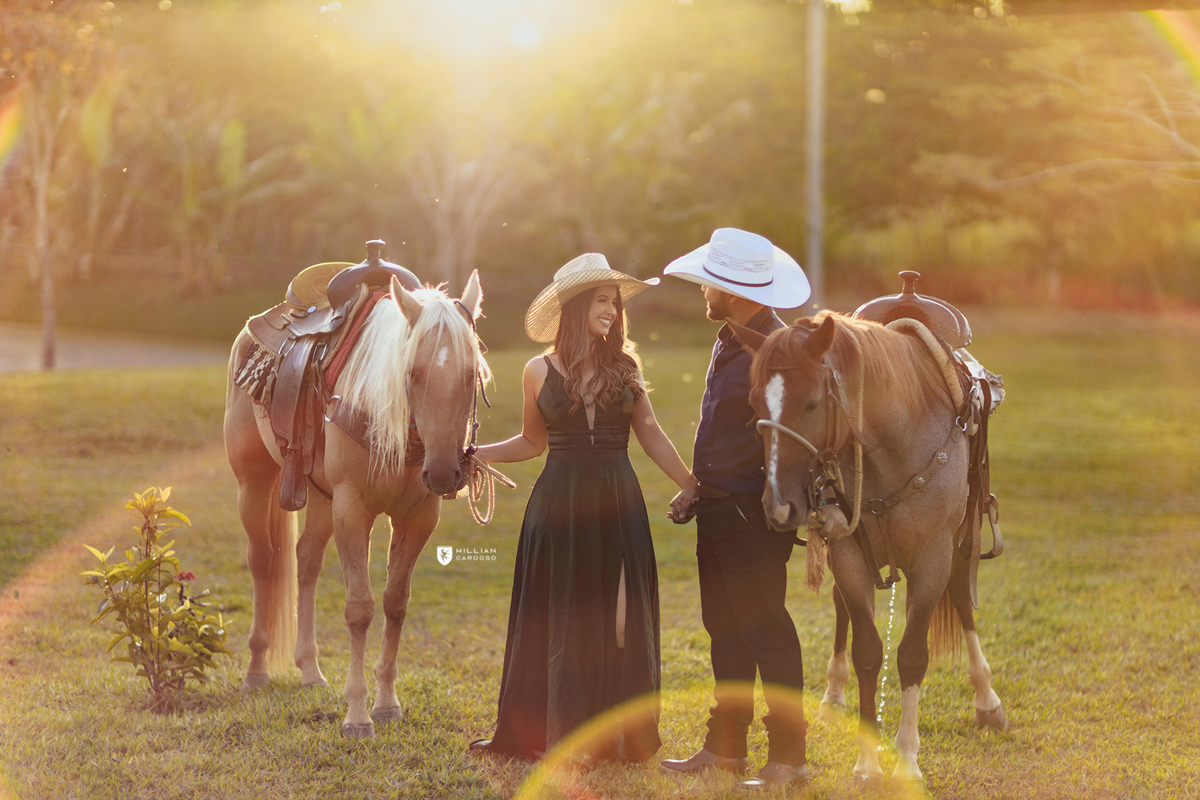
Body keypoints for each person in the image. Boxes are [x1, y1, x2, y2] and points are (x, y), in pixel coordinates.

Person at [469, 253, 694, 763]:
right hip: (558, 505)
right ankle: (560, 732)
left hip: (619, 500)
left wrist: (691, 483)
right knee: (560, 618)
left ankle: (614, 735)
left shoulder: (627, 367)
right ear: (574, 307)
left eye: (615, 303)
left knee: (618, 621)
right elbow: (531, 441)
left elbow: (652, 433)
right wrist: (477, 454)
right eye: (601, 301)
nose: (612, 311)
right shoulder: (536, 370)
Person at [657, 228, 813, 790]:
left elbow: (785, 434)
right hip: (718, 507)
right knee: (724, 629)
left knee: (765, 628)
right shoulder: (731, 336)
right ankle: (725, 748)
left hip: (751, 512)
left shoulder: (777, 349)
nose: (703, 291)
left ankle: (790, 758)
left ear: (733, 288)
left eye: (709, 283)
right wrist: (698, 486)